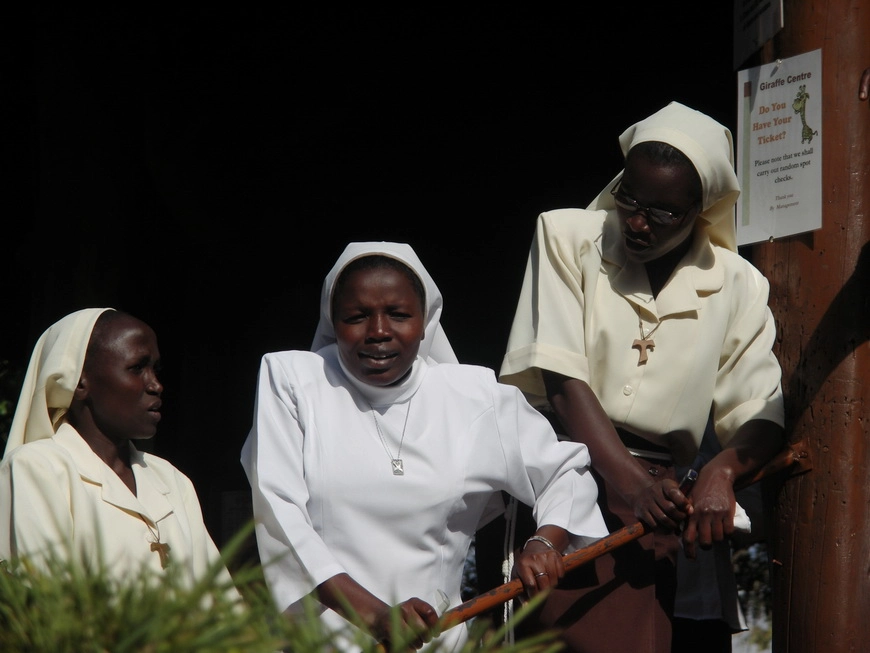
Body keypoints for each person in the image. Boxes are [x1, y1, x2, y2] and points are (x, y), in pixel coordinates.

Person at [498, 101, 785, 652]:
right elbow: (560, 375)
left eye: (662, 212)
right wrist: (631, 481)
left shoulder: (737, 283)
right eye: (629, 197)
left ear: (700, 209)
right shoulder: (565, 236)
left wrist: (721, 473)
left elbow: (760, 412)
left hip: (667, 501)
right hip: (568, 472)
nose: (636, 221)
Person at [240, 241, 608, 652]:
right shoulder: (293, 380)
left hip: (434, 639)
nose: (379, 331)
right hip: (320, 640)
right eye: (356, 316)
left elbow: (564, 471)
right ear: (333, 319)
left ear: (426, 320)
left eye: (398, 314)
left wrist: (545, 542)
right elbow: (279, 512)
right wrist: (376, 616)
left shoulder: (474, 395)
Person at [0, 308, 237, 592]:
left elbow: (220, 603)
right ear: (79, 382)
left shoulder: (172, 480)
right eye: (137, 368)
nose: (156, 385)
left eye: (156, 370)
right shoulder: (38, 469)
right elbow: (50, 609)